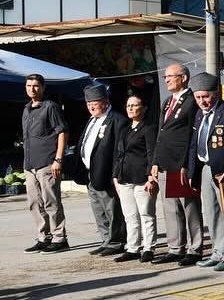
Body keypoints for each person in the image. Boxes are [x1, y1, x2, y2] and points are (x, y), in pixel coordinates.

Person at [150, 63, 201, 265]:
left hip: (181, 163)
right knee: (170, 209)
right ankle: (175, 247)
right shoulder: (167, 101)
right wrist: (154, 161)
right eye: (165, 77)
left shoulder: (192, 101)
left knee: (189, 207)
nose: (167, 80)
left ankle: (194, 248)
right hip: (164, 162)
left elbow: (191, 134)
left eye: (171, 76)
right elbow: (161, 134)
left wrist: (187, 163)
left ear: (184, 78)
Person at [188, 73, 224, 271]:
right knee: (212, 213)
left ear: (215, 93)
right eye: (198, 97)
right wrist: (192, 171)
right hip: (206, 168)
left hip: (222, 170)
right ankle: (218, 251)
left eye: (206, 96)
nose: (203, 101)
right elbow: (195, 143)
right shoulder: (199, 114)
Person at [20, 74, 68, 253]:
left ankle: (59, 237)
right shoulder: (26, 109)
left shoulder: (51, 107)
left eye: (35, 86)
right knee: (34, 203)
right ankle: (43, 237)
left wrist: (58, 159)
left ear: (43, 87)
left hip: (48, 162)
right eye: (28, 85)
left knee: (51, 201)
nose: (32, 89)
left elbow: (62, 133)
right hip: (30, 164)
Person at [78, 83, 126, 256]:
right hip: (91, 173)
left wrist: (115, 174)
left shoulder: (117, 120)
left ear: (105, 102)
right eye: (88, 103)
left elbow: (119, 150)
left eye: (95, 102)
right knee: (98, 209)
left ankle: (117, 241)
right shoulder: (92, 120)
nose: (91, 106)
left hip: (106, 173)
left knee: (112, 209)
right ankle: (106, 239)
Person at [112, 93, 159, 262]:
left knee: (146, 214)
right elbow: (119, 154)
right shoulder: (125, 129)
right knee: (130, 216)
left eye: (134, 105)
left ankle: (148, 248)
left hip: (142, 179)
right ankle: (132, 247)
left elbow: (152, 154)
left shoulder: (149, 128)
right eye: (128, 106)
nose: (130, 108)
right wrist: (115, 176)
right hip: (124, 178)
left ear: (144, 108)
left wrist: (151, 178)